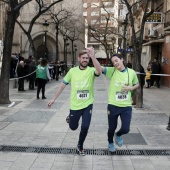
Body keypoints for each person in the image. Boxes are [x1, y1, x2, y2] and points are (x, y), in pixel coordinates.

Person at [47, 47, 102, 156]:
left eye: (87, 58)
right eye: (83, 58)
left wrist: (93, 56)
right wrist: (53, 99)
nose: (85, 60)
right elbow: (62, 85)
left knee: (85, 126)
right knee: (73, 127)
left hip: (87, 104)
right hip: (75, 105)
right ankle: (70, 117)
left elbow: (99, 71)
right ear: (79, 59)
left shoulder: (91, 71)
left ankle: (80, 145)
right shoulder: (72, 71)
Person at [101, 53, 139, 152]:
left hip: (126, 106)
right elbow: (100, 68)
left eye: (116, 60)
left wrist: (131, 88)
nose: (115, 63)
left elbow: (137, 84)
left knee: (126, 129)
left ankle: (118, 135)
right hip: (113, 105)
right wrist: (92, 56)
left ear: (122, 59)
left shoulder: (131, 72)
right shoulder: (112, 71)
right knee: (112, 127)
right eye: (113, 62)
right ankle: (110, 142)